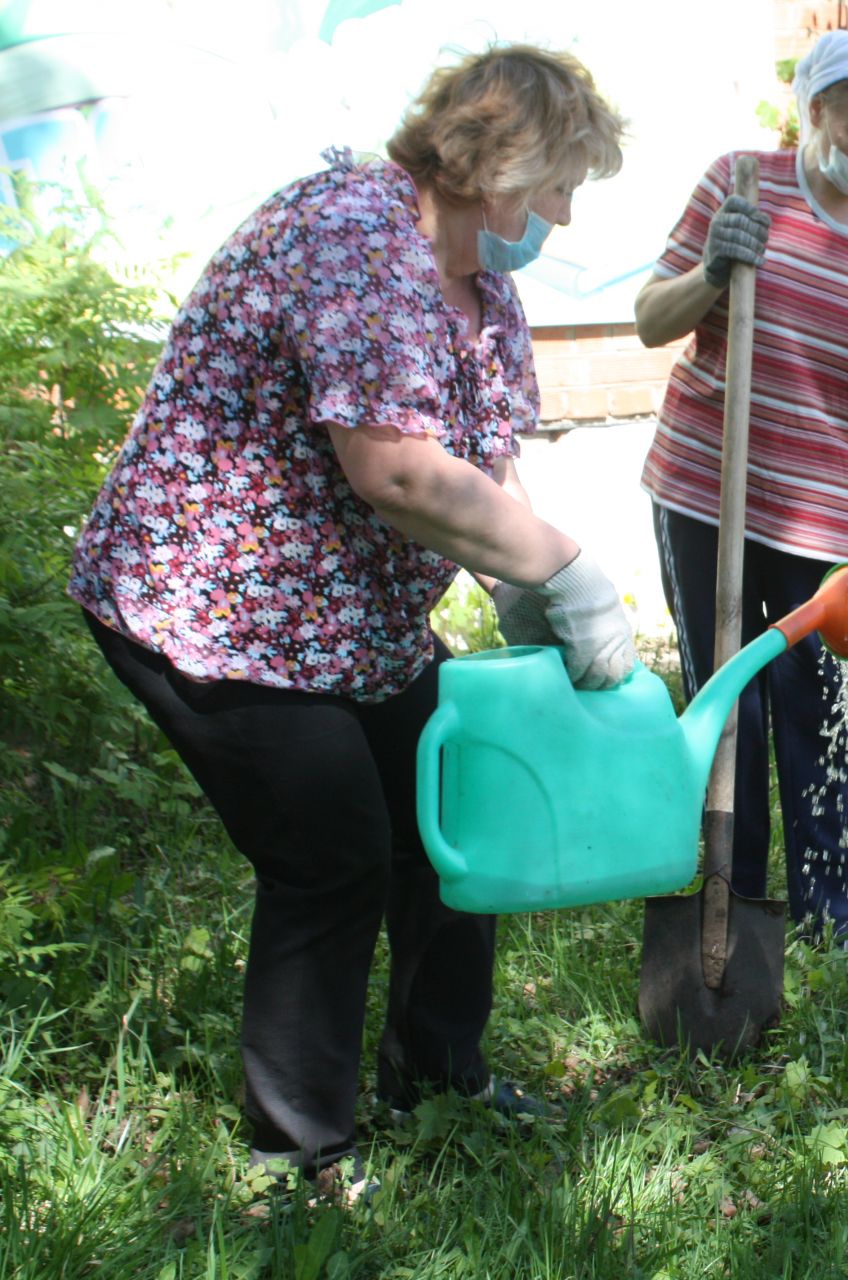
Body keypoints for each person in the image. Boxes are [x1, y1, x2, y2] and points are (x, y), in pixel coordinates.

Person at [68, 45, 632, 1187]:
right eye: (560, 184)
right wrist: (573, 574)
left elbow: (483, 475)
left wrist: (529, 593)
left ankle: (439, 1072)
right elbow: (399, 473)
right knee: (334, 851)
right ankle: (304, 1150)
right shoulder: (354, 235)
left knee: (452, 811)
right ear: (497, 162)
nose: (564, 217)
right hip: (212, 606)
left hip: (342, 619)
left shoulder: (484, 289)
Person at [631, 29, 848, 992]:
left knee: (820, 720)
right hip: (709, 495)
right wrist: (711, 271)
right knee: (720, 705)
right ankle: (726, 917)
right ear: (813, 113)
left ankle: (837, 929)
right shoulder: (741, 182)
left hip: (826, 518)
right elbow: (652, 319)